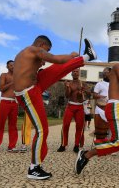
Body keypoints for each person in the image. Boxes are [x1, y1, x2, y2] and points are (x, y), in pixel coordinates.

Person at [13, 35, 97, 180]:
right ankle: (34, 168)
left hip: (34, 86)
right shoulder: (33, 50)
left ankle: (87, 56)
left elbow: (52, 65)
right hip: (28, 93)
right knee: (42, 130)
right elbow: (56, 59)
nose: (44, 59)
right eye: (47, 50)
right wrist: (70, 55)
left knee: (56, 70)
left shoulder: (25, 54)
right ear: (41, 44)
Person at [57, 68, 90, 153]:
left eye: (77, 72)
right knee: (66, 124)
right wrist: (67, 87)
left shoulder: (83, 83)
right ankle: (63, 144)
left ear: (79, 73)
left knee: (79, 126)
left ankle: (76, 145)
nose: (75, 73)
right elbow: (67, 95)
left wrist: (84, 91)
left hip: (79, 107)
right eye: (74, 72)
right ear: (71, 73)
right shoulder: (69, 83)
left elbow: (89, 94)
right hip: (70, 105)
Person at [0, 60, 19, 154]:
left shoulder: (18, 77)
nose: (12, 66)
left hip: (15, 103)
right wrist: (12, 82)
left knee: (13, 126)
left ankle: (12, 146)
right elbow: (1, 88)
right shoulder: (4, 75)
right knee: (0, 124)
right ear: (7, 67)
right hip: (5, 101)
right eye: (10, 65)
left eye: (14, 65)